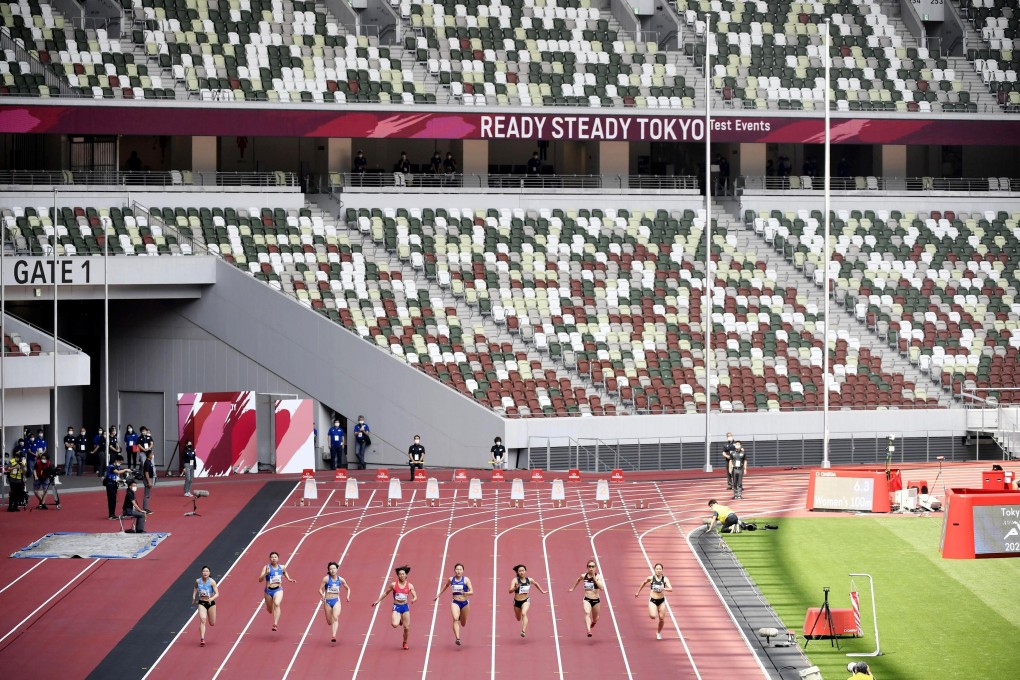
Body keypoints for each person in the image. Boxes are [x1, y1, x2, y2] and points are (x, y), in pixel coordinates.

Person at [372, 565, 417, 649]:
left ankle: (405, 642)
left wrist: (414, 599)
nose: (402, 576)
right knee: (394, 625)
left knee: (406, 628)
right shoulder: (393, 585)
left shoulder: (410, 585)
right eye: (400, 574)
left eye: (403, 574)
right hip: (396, 606)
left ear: (406, 575)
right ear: (398, 575)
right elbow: (386, 593)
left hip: (405, 607)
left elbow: (415, 595)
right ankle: (399, 619)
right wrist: (378, 601)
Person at [434, 562, 473, 645]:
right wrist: (438, 595)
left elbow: (472, 591)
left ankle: (460, 618)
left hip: (465, 603)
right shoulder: (451, 579)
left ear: (463, 571)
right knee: (455, 618)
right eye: (457, 569)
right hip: (455, 602)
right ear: (454, 570)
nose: (458, 571)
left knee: (463, 623)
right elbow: (446, 585)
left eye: (460, 569)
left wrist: (466, 593)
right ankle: (458, 638)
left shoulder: (466, 580)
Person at [259, 551, 296, 631]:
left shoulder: (282, 567)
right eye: (272, 557)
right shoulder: (266, 568)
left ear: (278, 558)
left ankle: (275, 624)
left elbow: (285, 572)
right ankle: (269, 607)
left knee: (277, 603)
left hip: (278, 590)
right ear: (270, 559)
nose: (274, 559)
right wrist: (265, 573)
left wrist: (289, 578)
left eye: (275, 557)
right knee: (270, 610)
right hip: (268, 591)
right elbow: (260, 580)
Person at [635, 562, 673, 640]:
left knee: (662, 619)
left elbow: (671, 589)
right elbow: (643, 583)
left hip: (661, 601)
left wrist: (663, 588)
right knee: (653, 616)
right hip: (653, 600)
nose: (658, 570)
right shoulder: (651, 578)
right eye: (657, 569)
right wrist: (638, 592)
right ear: (654, 570)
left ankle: (658, 633)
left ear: (662, 570)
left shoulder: (665, 579)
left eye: (660, 569)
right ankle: (652, 608)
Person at [508, 564, 548, 638]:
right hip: (517, 602)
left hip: (526, 600)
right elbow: (509, 591)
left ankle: (523, 631)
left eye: (523, 570)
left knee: (524, 613)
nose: (521, 572)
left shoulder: (529, 580)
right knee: (518, 618)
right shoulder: (515, 580)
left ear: (525, 571)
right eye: (520, 571)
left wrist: (542, 591)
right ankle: (518, 614)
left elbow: (536, 583)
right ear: (517, 572)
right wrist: (515, 588)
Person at [568, 559, 606, 637]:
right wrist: (572, 588)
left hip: (596, 600)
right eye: (589, 566)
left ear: (595, 567)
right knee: (587, 612)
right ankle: (589, 631)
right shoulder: (584, 576)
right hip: (587, 599)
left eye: (593, 566)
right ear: (587, 567)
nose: (591, 568)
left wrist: (595, 579)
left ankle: (594, 622)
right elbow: (578, 579)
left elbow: (602, 588)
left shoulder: (598, 577)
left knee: (595, 618)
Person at [319, 561, 351, 644]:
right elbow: (319, 589)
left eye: (334, 568)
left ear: (337, 569)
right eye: (330, 569)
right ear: (328, 570)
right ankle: (333, 626)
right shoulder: (326, 579)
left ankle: (334, 635)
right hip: (327, 601)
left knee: (335, 616)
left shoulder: (341, 579)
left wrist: (347, 596)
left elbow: (348, 588)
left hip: (336, 600)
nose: (332, 570)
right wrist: (322, 595)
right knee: (329, 622)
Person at [193, 565, 219, 647]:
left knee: (212, 623)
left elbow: (217, 593)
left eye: (207, 571)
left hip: (210, 603)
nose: (205, 573)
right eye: (204, 571)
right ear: (201, 572)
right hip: (202, 603)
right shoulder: (198, 581)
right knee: (203, 620)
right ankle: (202, 638)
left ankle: (201, 629)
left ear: (209, 573)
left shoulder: (212, 582)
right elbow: (195, 588)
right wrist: (194, 595)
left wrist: (211, 599)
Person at [104, 455, 131, 520]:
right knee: (111, 500)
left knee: (114, 500)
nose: (120, 463)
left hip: (114, 484)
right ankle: (111, 514)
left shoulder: (117, 466)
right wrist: (125, 469)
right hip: (110, 484)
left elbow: (118, 474)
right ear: (116, 460)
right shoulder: (111, 466)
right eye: (120, 462)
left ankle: (113, 514)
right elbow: (117, 472)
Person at [142, 448, 156, 513]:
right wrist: (149, 481)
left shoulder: (149, 462)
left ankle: (146, 508)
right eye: (152, 453)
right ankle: (145, 508)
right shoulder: (147, 463)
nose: (153, 454)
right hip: (148, 479)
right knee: (146, 495)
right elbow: (146, 473)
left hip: (150, 478)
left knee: (148, 494)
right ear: (149, 455)